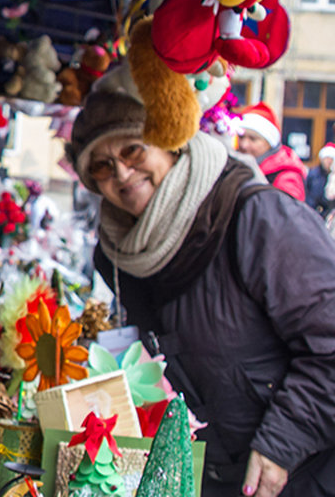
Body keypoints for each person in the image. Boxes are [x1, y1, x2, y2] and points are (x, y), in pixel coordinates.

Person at [67, 91, 335, 497]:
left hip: (304, 471)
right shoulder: (122, 253)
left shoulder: (257, 217)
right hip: (213, 473)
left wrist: (281, 444)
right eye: (102, 166)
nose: (121, 172)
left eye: (133, 150)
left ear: (169, 142)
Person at [235, 102, 306, 201]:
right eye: (241, 137)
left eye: (253, 139)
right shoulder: (236, 165)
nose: (244, 145)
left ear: (270, 143)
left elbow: (285, 209)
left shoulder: (286, 177)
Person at [305, 143, 335, 216]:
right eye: (327, 158)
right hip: (311, 211)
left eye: (331, 159)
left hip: (328, 213)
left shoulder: (332, 177)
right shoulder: (313, 174)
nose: (329, 161)